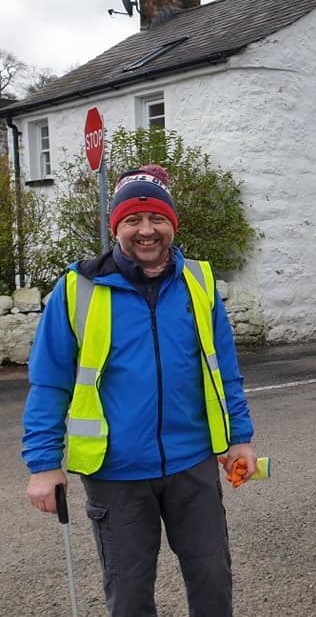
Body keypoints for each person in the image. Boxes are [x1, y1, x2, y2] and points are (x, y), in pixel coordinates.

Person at [22, 164, 257, 617]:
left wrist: (239, 438)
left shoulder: (200, 283)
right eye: (132, 221)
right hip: (116, 473)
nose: (146, 231)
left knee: (212, 584)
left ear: (173, 223)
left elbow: (224, 371)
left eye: (156, 220)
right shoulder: (80, 289)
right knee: (129, 596)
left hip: (193, 465)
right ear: (117, 228)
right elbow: (50, 382)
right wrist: (43, 464)